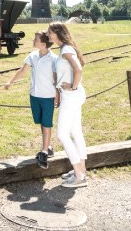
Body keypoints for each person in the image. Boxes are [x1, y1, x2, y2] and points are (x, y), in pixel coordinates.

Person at [5, 31, 58, 169]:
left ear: (43, 43)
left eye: (36, 38)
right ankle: (48, 146)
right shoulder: (33, 56)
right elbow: (22, 70)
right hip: (34, 95)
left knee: (47, 123)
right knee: (41, 121)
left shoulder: (54, 59)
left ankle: (44, 153)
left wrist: (58, 95)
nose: (33, 40)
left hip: (48, 96)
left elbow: (56, 78)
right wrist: (10, 81)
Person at [47, 22, 88, 188]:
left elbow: (78, 69)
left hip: (71, 96)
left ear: (57, 33)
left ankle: (79, 175)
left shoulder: (66, 50)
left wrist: (72, 87)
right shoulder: (64, 49)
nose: (48, 35)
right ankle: (82, 170)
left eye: (50, 32)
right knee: (75, 132)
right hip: (72, 95)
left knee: (63, 134)